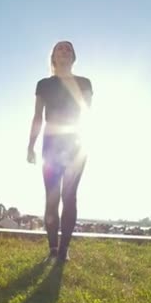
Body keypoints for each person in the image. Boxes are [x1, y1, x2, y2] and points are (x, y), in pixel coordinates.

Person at [27, 41, 93, 262]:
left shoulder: (84, 82)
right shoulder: (44, 84)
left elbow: (86, 112)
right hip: (51, 145)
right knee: (52, 198)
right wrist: (30, 145)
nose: (64, 51)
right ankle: (53, 249)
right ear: (53, 57)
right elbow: (37, 116)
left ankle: (64, 250)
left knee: (69, 196)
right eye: (60, 48)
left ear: (73, 57)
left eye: (68, 48)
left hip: (76, 143)